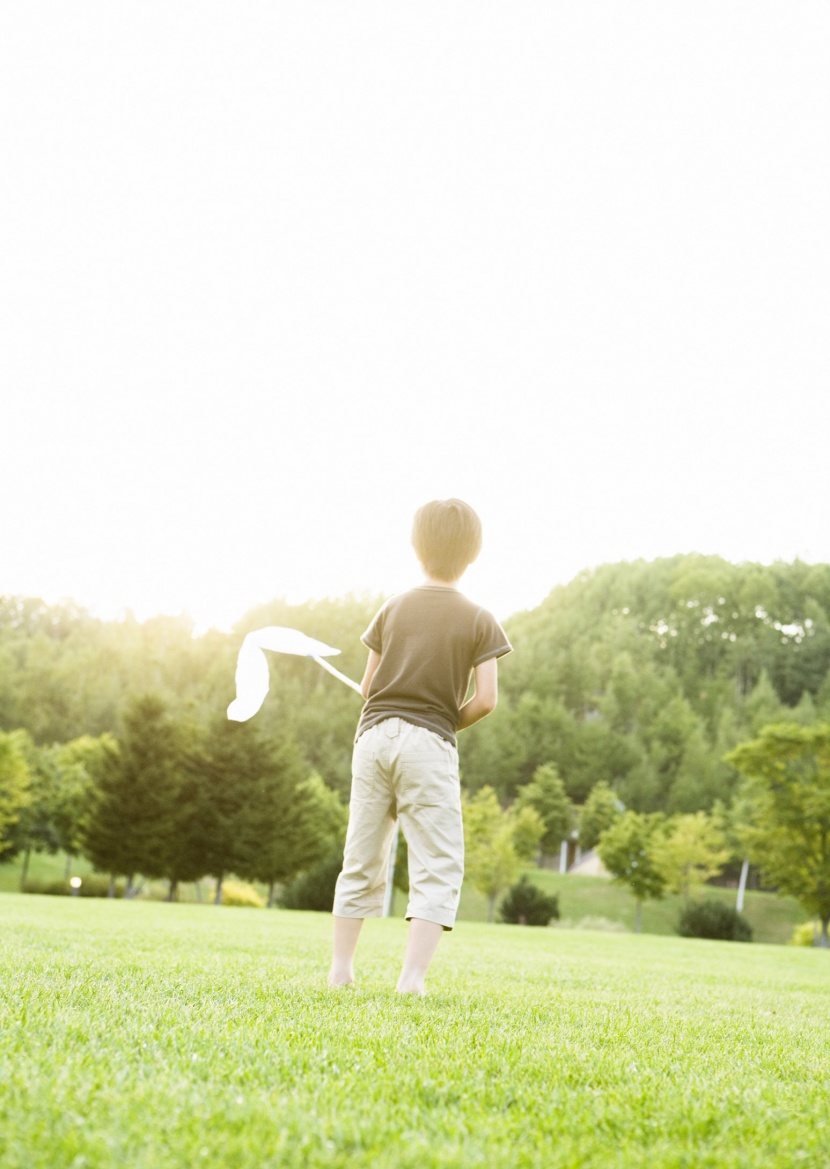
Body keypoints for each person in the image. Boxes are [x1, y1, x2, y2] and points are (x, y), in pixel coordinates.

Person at [328, 498, 512, 994]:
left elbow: (368, 687)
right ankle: (411, 980)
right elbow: (487, 699)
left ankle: (341, 971)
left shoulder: (393, 607)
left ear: (415, 547)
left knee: (362, 853)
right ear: (474, 553)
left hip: (372, 738)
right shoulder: (480, 618)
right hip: (429, 742)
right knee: (438, 858)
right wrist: (445, 723)